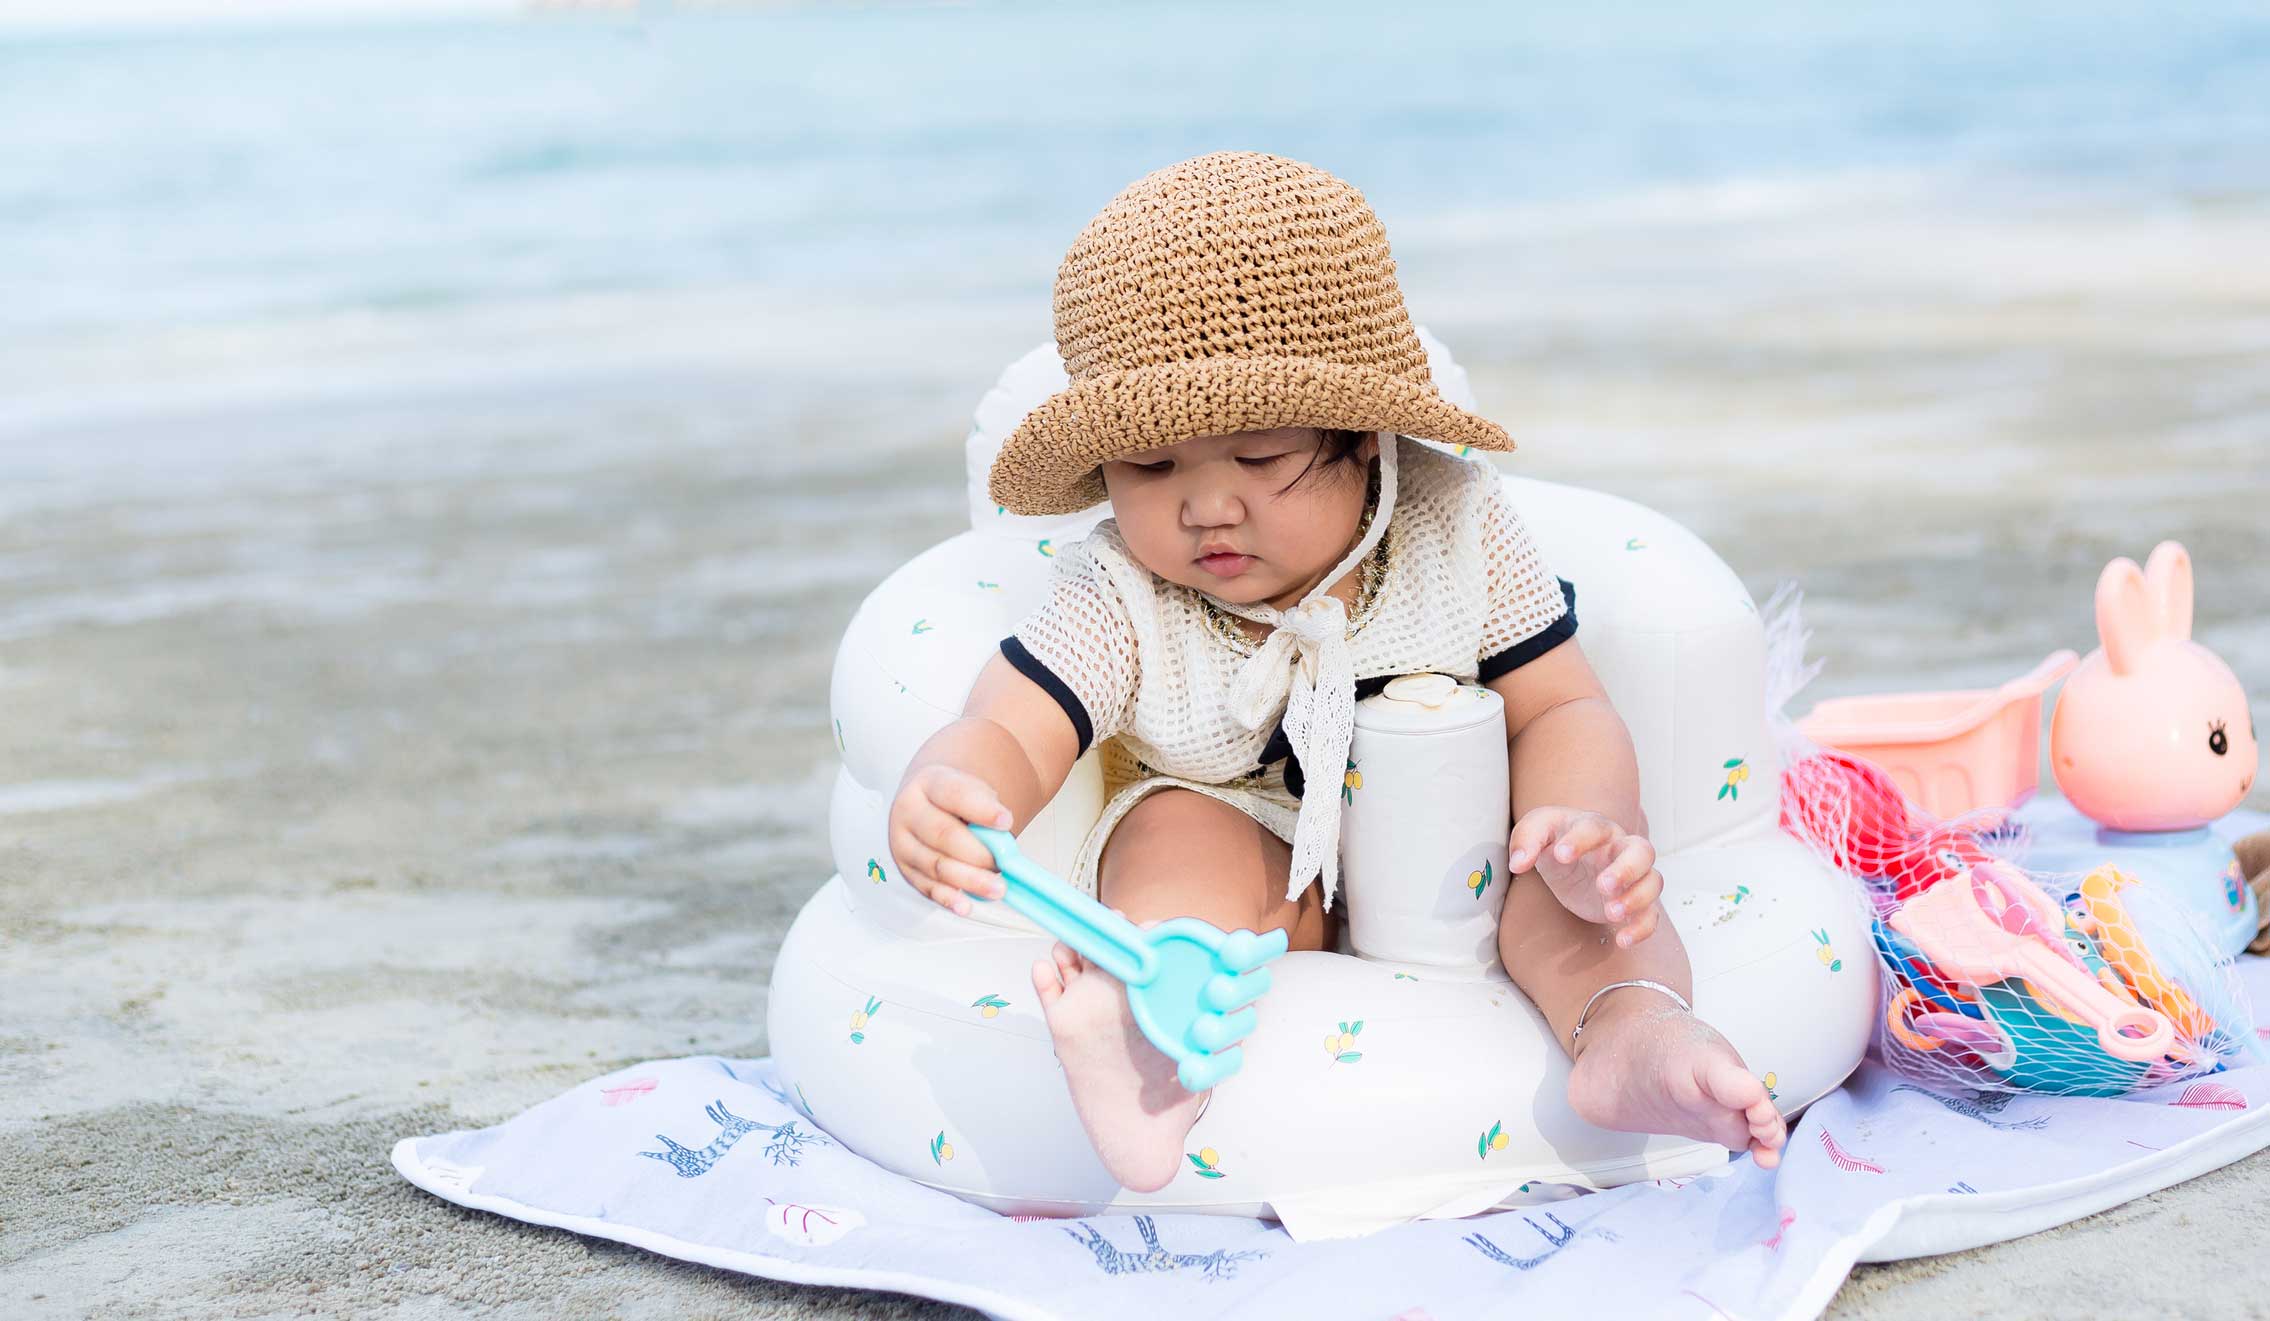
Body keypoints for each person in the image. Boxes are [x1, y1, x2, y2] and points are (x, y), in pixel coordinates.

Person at [887, 151, 1784, 1194]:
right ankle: (1149, 1048)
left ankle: (1628, 1032)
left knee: (1578, 904)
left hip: (1464, 851)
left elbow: (1562, 704)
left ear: (1362, 437)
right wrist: (956, 781)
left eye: (1259, 457)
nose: (1205, 505)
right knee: (1177, 837)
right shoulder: (1120, 587)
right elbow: (1015, 720)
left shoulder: (1454, 524)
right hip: (1256, 844)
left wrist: (1581, 825)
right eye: (1151, 465)